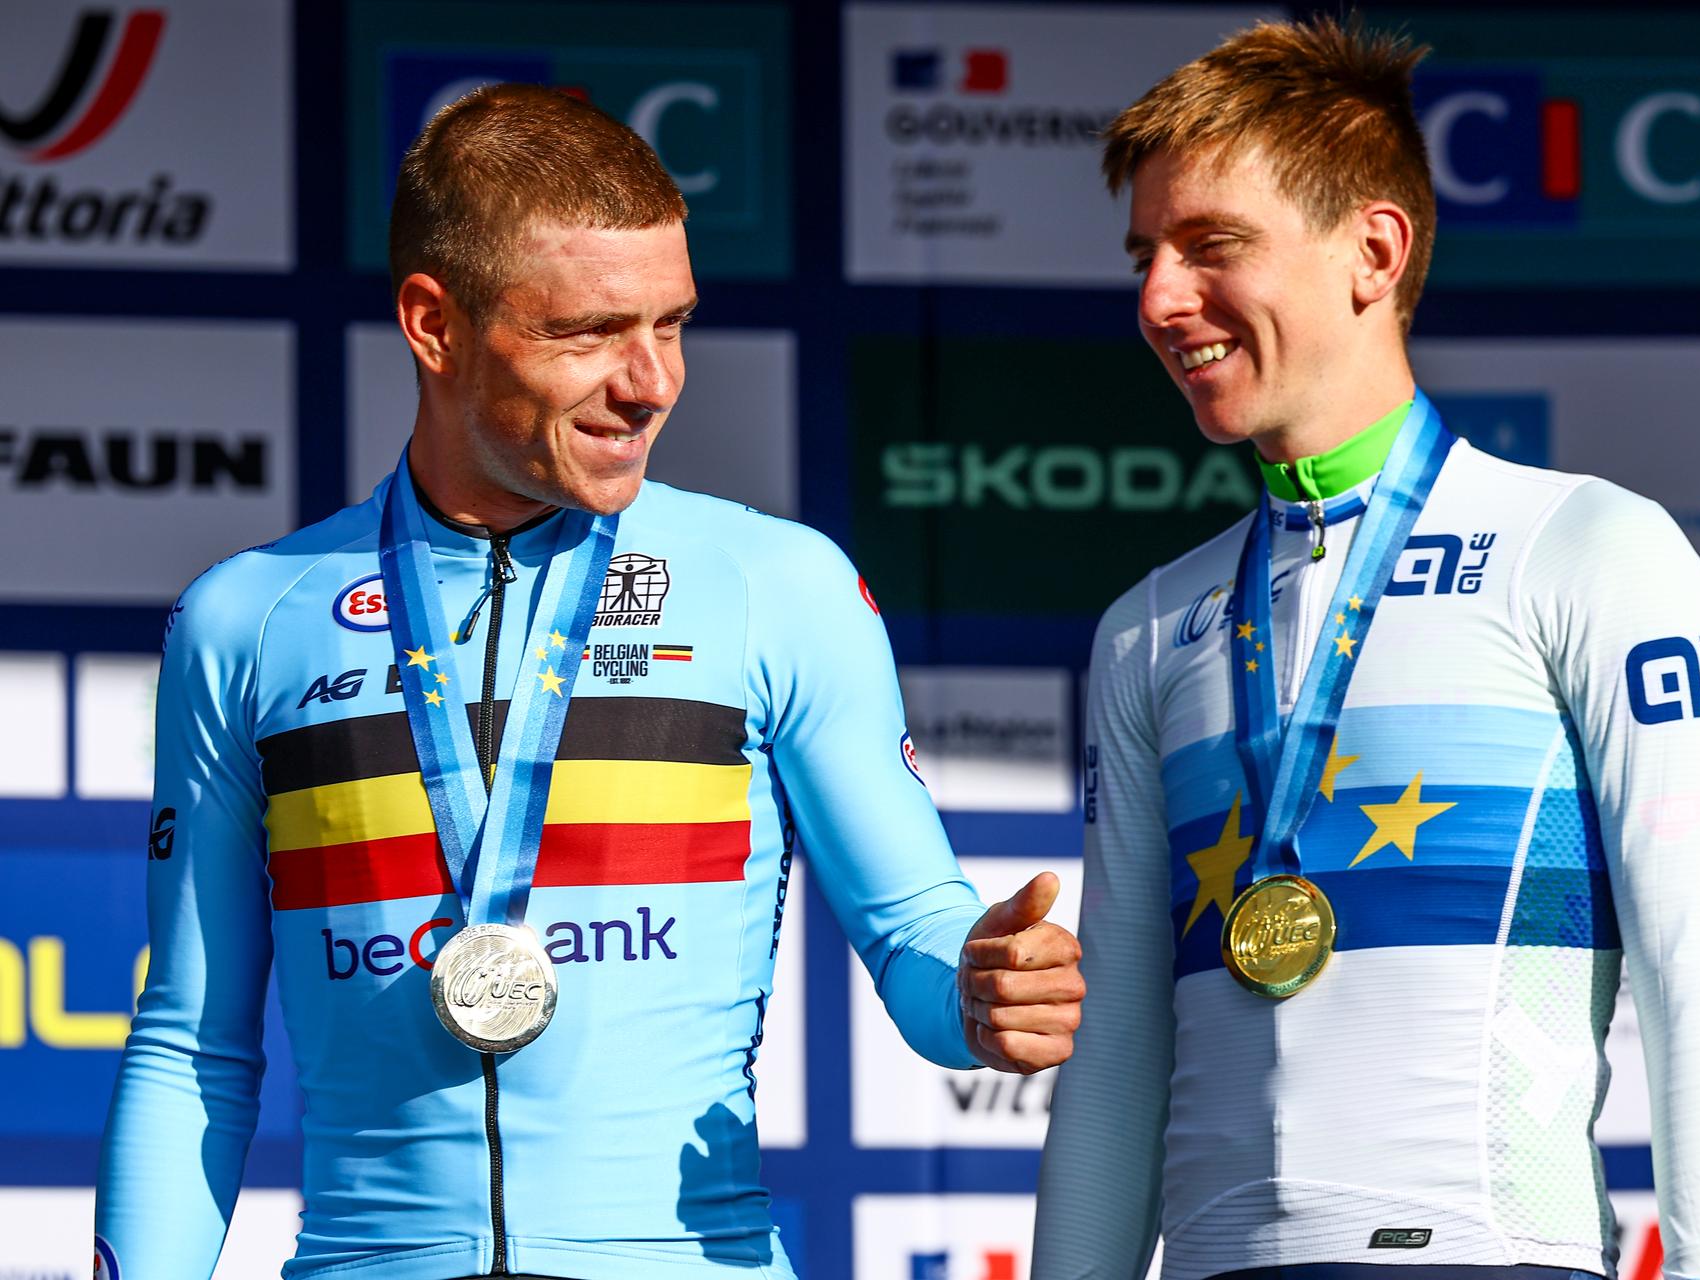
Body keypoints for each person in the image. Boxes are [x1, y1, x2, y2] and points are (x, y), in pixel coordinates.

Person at [95, 84, 1084, 1280]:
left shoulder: (777, 582)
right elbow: (194, 1044)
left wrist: (979, 994)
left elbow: (915, 932)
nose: (652, 380)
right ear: (433, 323)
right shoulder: (249, 616)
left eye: (672, 324)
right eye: (590, 332)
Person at [1033, 16, 1700, 1280]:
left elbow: (1698, 977)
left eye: (1211, 247)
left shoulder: (1587, 547)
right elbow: (1114, 1058)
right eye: (1147, 254)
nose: (1160, 298)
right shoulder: (1150, 624)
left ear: (1374, 250)